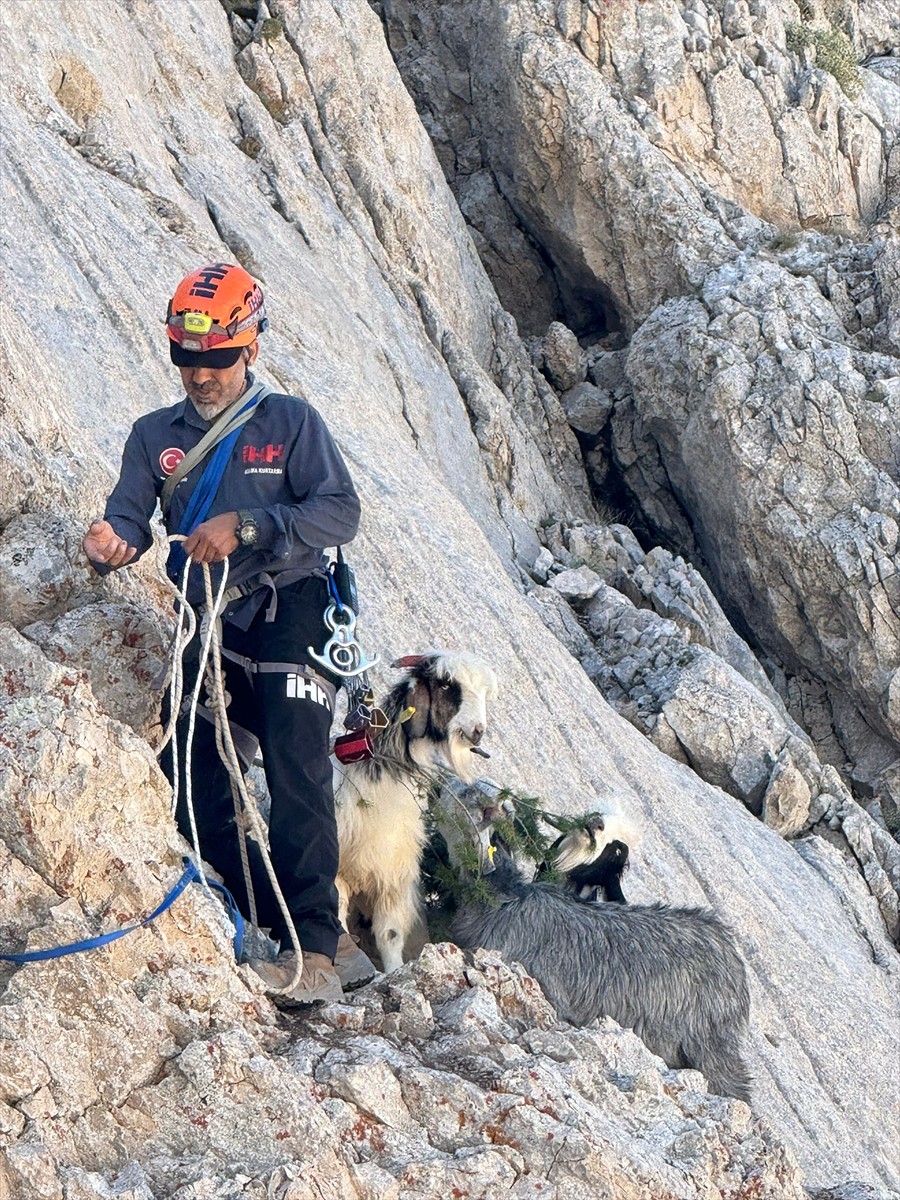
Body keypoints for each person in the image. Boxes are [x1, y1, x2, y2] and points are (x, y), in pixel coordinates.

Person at [82, 262, 374, 1004]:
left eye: (215, 359)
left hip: (294, 607)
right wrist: (113, 542)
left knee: (294, 766)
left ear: (250, 349)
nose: (200, 374)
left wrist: (249, 525)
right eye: (188, 358)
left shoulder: (292, 424)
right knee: (191, 784)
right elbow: (131, 516)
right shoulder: (155, 438)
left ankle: (314, 952)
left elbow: (339, 511)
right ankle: (290, 921)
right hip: (211, 622)